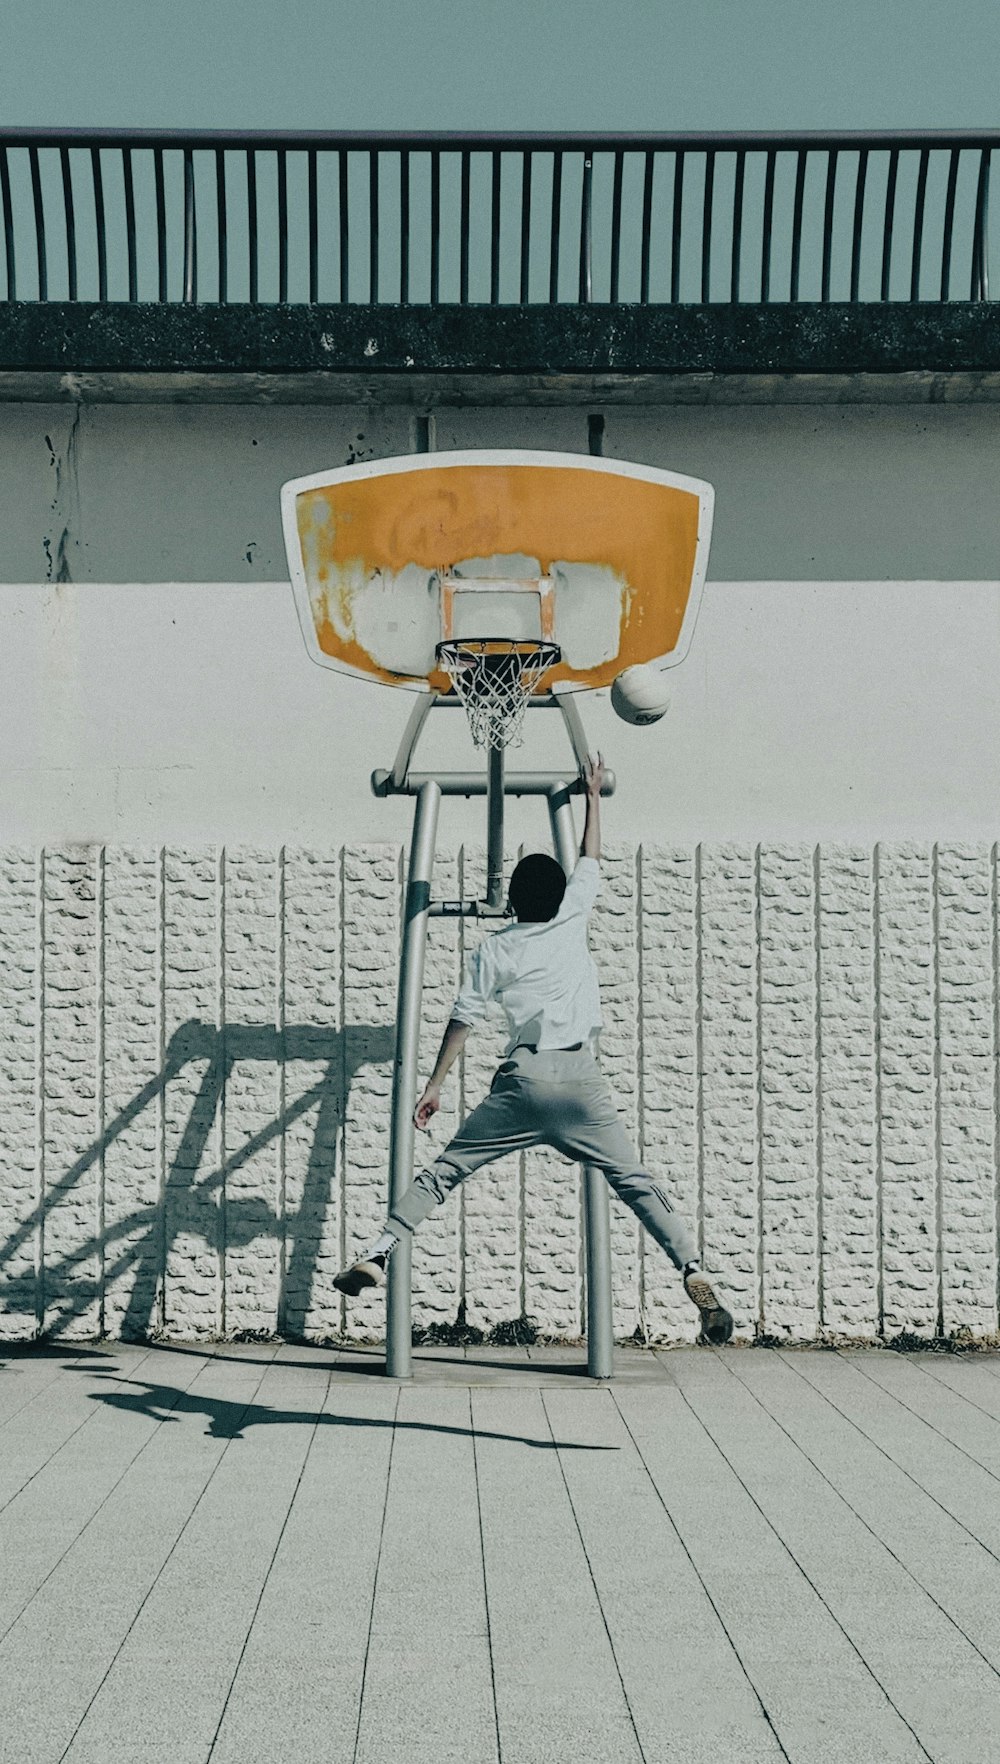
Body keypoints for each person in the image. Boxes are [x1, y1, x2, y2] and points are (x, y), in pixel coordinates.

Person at [334, 754, 733, 1345]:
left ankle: (380, 1249)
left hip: (522, 1082)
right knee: (635, 1181)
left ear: (514, 902)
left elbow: (463, 1019)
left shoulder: (494, 949)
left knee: (445, 1171)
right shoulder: (573, 917)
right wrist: (592, 798)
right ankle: (693, 1268)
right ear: (559, 895)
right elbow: (590, 858)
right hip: (581, 1081)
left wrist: (435, 1085)